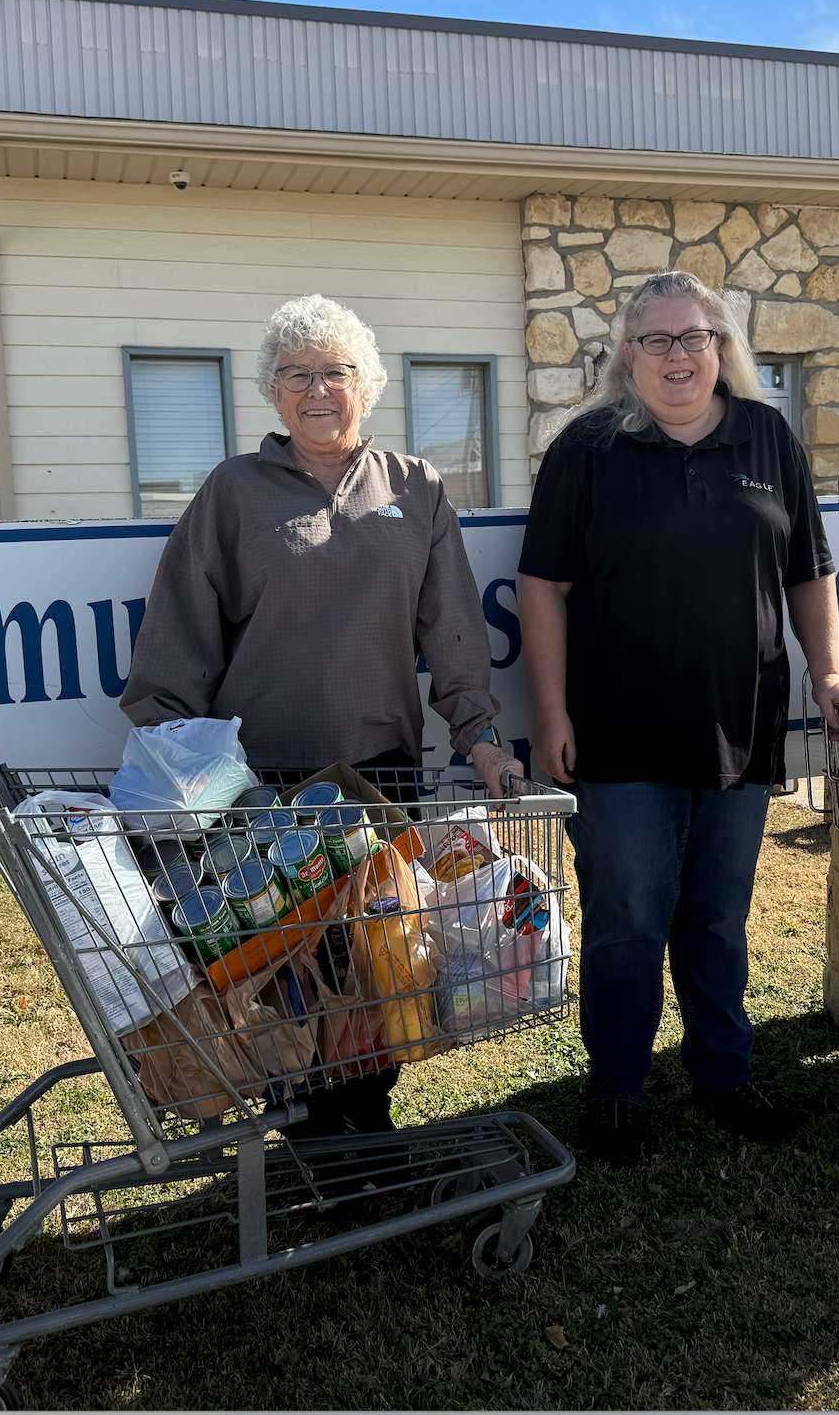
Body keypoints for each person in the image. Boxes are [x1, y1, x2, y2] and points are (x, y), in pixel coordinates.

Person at [121, 292, 521, 1136]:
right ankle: (307, 1131)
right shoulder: (232, 494)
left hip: (377, 780)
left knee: (376, 973)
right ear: (271, 390)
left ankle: (361, 1127)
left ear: (367, 386)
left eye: (335, 373)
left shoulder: (415, 489)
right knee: (280, 981)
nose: (316, 391)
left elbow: (451, 637)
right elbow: (177, 638)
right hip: (260, 790)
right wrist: (162, 764)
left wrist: (481, 738)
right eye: (296, 374)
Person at [518, 271, 839, 1166]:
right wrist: (548, 710)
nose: (677, 356)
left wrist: (828, 674)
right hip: (618, 729)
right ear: (628, 357)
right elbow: (542, 587)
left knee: (716, 913)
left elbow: (808, 571)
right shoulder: (587, 448)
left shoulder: (768, 435)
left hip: (741, 723)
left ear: (723, 348)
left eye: (694, 337)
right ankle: (618, 1088)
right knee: (628, 915)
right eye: (656, 340)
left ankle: (723, 1071)